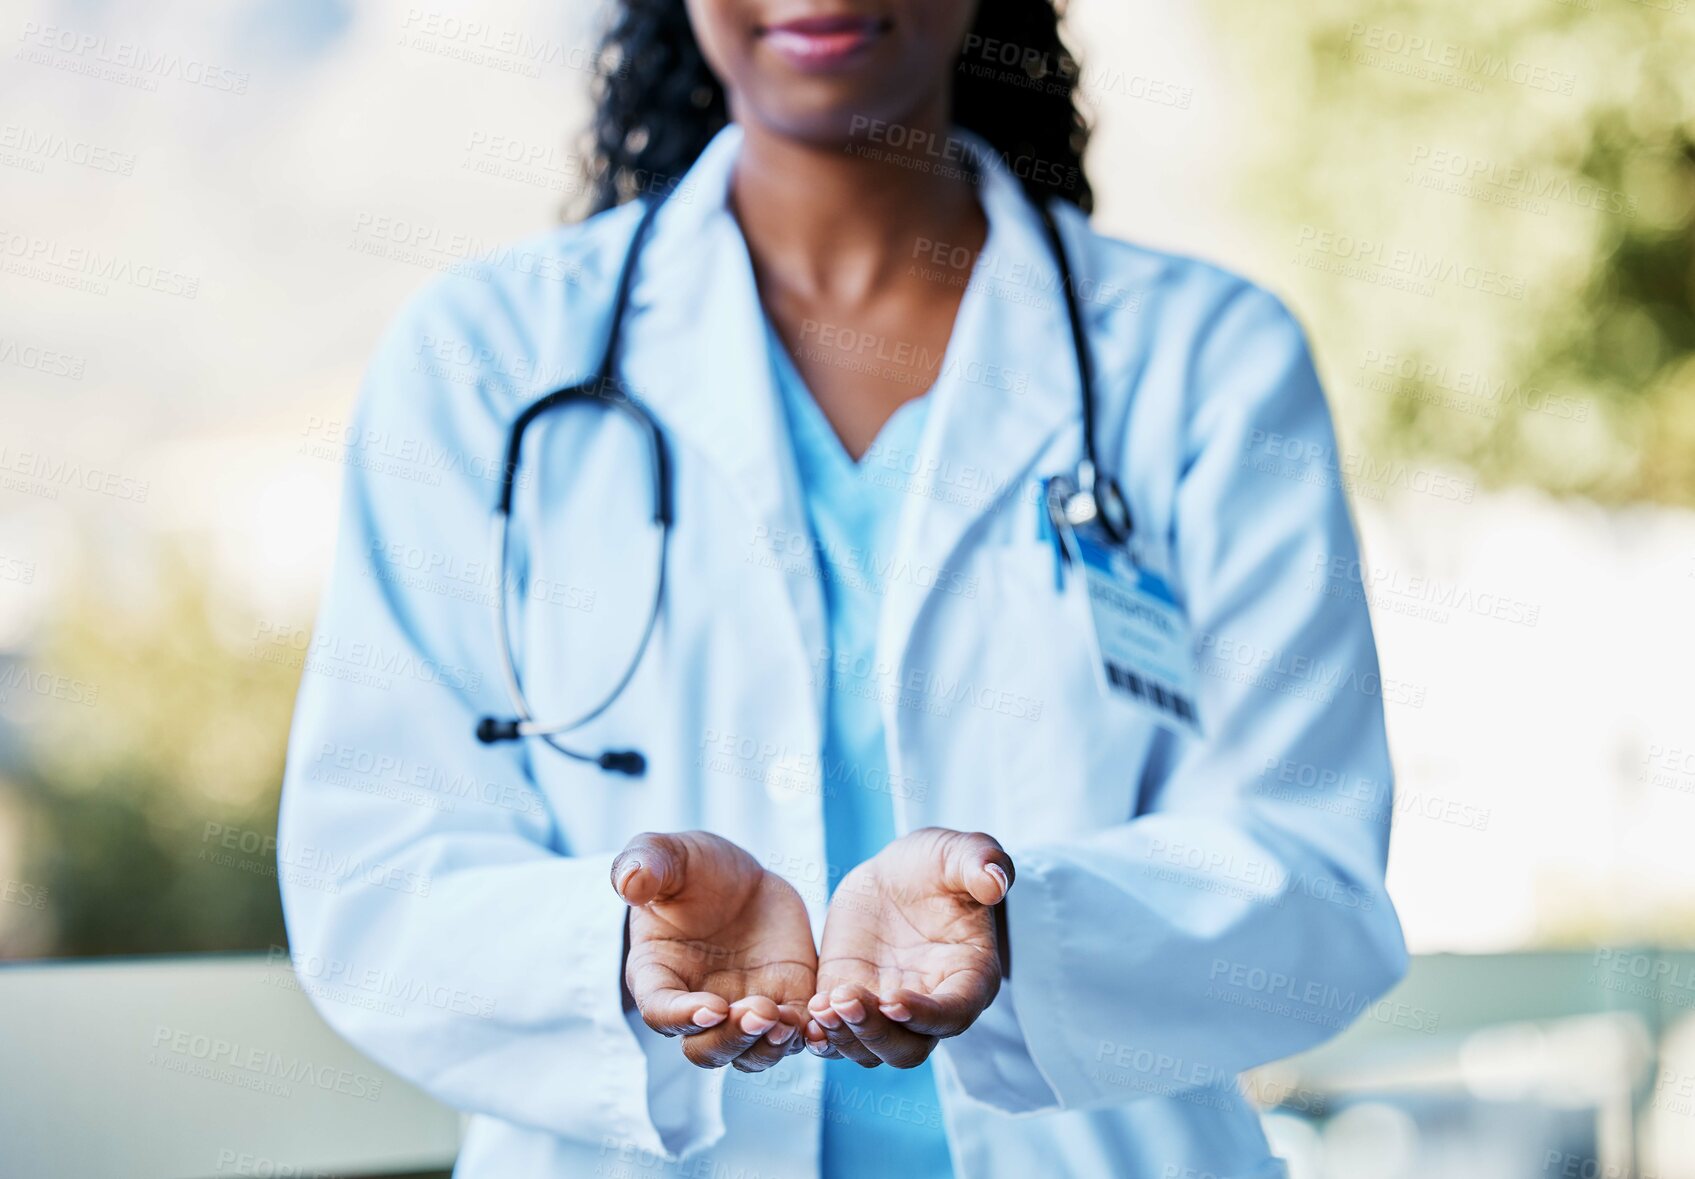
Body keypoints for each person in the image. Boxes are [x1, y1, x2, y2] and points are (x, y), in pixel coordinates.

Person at [277, 1, 1407, 1176]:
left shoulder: (1207, 362)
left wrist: (1026, 930)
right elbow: (371, 880)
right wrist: (619, 941)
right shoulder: (483, 358)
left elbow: (1311, 882)